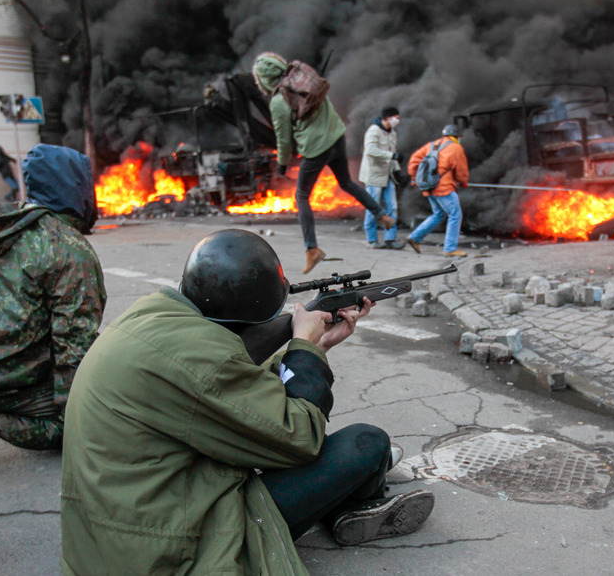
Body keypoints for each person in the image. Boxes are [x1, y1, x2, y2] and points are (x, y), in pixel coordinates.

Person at [60, 229, 435, 574]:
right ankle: (354, 508)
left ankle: (348, 500)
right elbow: (300, 438)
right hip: (167, 550)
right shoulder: (200, 359)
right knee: (366, 443)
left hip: (114, 533)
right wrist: (303, 349)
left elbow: (230, 390)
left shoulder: (154, 318)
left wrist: (317, 344)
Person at [0, 144, 106, 472]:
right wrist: (78, 417)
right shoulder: (68, 248)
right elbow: (74, 347)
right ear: (78, 189)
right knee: (103, 412)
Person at [252, 52, 396, 274]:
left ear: (263, 79)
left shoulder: (279, 101)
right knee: (346, 182)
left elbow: (283, 138)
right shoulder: (305, 77)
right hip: (337, 137)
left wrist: (282, 163)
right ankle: (382, 215)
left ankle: (312, 250)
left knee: (301, 196)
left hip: (316, 147)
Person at [406, 124, 470, 258]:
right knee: (455, 214)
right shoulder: (456, 147)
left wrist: (414, 177)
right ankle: (450, 249)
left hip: (428, 186)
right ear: (456, 136)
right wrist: (463, 182)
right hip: (444, 188)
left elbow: (414, 160)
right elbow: (461, 171)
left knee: (439, 214)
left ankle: (415, 238)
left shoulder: (432, 145)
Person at [359, 106, 405, 250]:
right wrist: (391, 156)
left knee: (393, 208)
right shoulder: (373, 131)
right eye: (395, 117)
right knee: (373, 207)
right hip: (374, 176)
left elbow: (393, 153)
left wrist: (397, 171)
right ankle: (372, 240)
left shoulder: (392, 134)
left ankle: (390, 239)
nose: (397, 120)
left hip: (388, 175)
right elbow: (371, 151)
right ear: (386, 118)